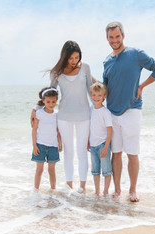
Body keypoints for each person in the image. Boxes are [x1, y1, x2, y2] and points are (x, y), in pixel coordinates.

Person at [103, 21, 155, 202]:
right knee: (116, 153)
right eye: (111, 37)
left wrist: (142, 86)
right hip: (112, 112)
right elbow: (105, 87)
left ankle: (132, 190)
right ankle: (117, 190)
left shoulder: (136, 54)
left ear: (123, 35)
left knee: (132, 153)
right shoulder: (107, 61)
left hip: (132, 110)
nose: (114, 40)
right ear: (107, 38)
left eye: (117, 36)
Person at [30, 40, 95, 193]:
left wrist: (99, 110)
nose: (74, 61)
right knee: (68, 152)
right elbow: (50, 94)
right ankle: (69, 185)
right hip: (64, 116)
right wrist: (36, 108)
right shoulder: (56, 72)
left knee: (81, 151)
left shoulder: (85, 67)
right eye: (71, 58)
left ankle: (82, 187)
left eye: (76, 58)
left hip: (84, 115)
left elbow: (90, 90)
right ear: (64, 57)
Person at [31, 87, 62, 192]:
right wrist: (34, 145)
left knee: (51, 169)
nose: (51, 104)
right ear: (43, 101)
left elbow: (57, 130)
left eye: (53, 101)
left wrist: (60, 143)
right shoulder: (39, 113)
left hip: (53, 145)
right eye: (48, 102)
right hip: (40, 145)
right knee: (39, 169)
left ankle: (53, 189)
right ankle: (35, 190)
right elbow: (34, 130)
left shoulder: (56, 114)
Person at [87, 82, 113, 197]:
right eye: (93, 95)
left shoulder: (105, 112)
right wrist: (88, 141)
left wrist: (106, 147)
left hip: (103, 145)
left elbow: (109, 130)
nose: (96, 98)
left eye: (99, 95)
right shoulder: (90, 109)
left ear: (104, 97)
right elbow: (90, 127)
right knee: (95, 170)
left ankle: (105, 192)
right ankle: (97, 191)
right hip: (93, 145)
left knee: (106, 170)